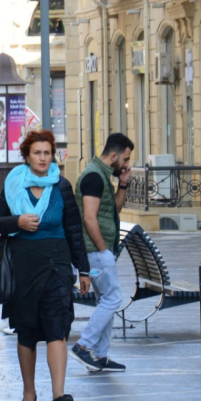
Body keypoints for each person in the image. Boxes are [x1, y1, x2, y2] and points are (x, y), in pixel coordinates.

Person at [0, 130, 90, 401]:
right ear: (27, 156)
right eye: (37, 153)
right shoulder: (14, 184)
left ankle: (59, 396)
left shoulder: (62, 186)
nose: (43, 158)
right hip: (24, 268)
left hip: (56, 266)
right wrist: (18, 222)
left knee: (57, 328)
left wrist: (83, 269)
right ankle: (29, 393)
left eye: (47, 153)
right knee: (27, 331)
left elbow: (74, 230)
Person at [70, 133, 134, 373]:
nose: (127, 163)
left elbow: (113, 211)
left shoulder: (102, 175)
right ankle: (84, 347)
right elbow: (89, 217)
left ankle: (100, 356)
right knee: (113, 298)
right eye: (125, 159)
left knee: (105, 299)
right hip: (95, 252)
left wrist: (124, 184)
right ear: (114, 155)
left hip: (96, 251)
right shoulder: (94, 177)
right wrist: (104, 250)